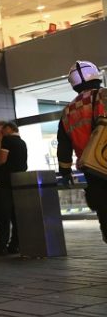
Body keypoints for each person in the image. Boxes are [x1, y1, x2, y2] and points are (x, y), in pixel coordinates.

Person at [57, 61, 107, 244]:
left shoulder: (68, 110)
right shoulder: (104, 95)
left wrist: (65, 171)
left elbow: (64, 146)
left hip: (92, 169)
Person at [0, 122, 28, 255]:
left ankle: (2, 244)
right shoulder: (21, 142)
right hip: (18, 181)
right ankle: (15, 243)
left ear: (7, 129)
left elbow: (0, 160)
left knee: (4, 215)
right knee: (16, 215)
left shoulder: (8, 140)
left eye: (0, 130)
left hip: (7, 182)